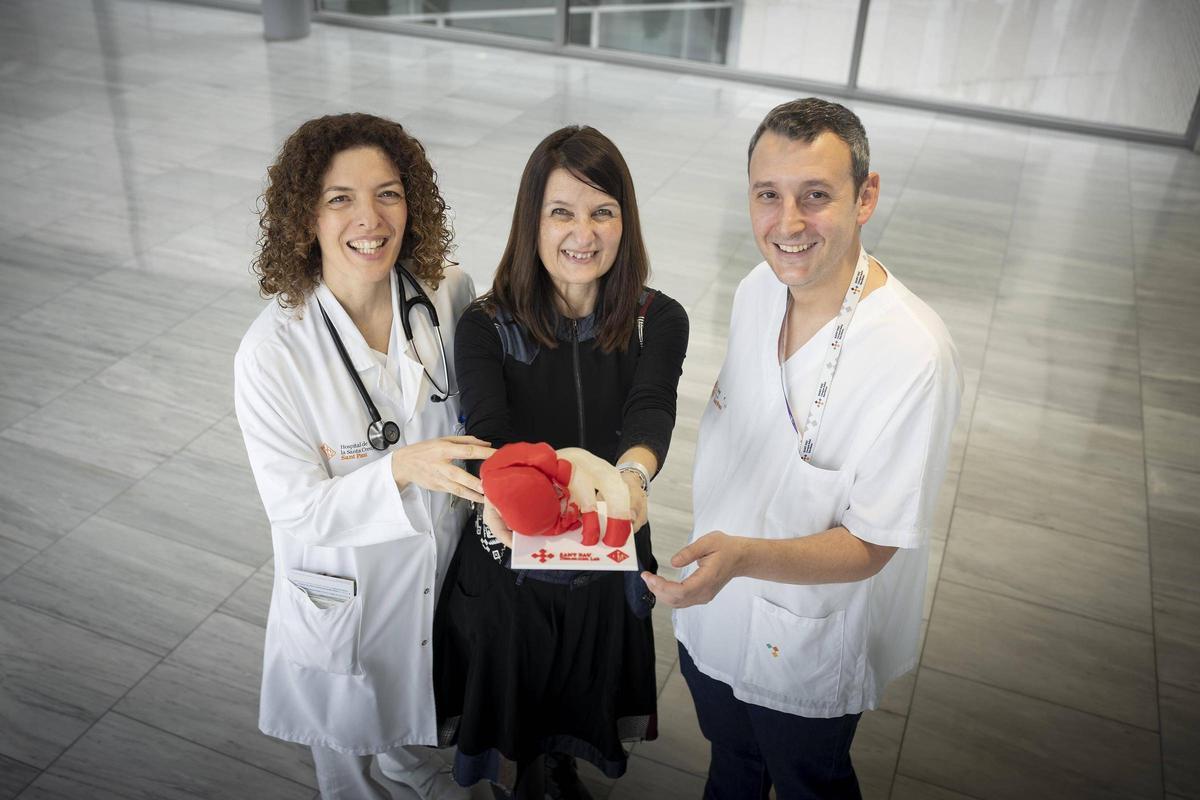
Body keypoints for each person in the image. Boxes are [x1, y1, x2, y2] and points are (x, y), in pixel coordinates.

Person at [643, 97, 963, 798]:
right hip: (713, 609)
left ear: (866, 195)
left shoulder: (912, 353)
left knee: (807, 778)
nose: (787, 225)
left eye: (815, 196)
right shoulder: (758, 289)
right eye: (768, 195)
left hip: (808, 638)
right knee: (730, 764)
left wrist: (747, 559)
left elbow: (875, 542)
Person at [234, 112, 494, 800]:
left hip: (437, 574)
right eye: (339, 198)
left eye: (388, 193)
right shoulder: (273, 354)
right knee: (346, 759)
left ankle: (414, 769)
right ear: (305, 217)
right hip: (340, 601)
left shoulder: (445, 292)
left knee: (419, 720)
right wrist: (401, 469)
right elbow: (297, 511)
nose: (370, 218)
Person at [433, 125, 690, 799]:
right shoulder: (486, 326)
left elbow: (650, 411)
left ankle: (562, 767)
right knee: (517, 699)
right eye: (562, 212)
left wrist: (629, 479)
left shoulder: (656, 320)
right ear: (532, 221)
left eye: (603, 211)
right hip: (513, 545)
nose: (584, 232)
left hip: (609, 534)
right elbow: (490, 435)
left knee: (585, 691)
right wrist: (515, 500)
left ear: (625, 222)